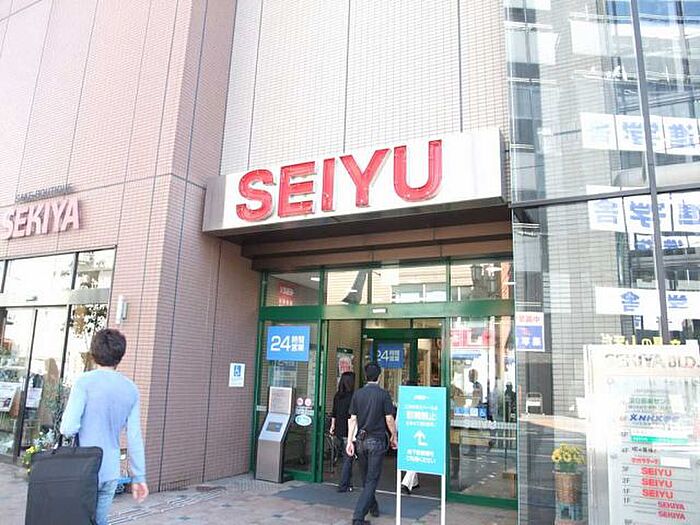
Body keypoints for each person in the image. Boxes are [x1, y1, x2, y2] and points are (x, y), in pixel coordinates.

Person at [60, 329, 148, 525]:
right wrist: (139, 477)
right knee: (99, 521)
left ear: (94, 353)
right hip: (110, 470)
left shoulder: (84, 382)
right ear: (120, 356)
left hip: (84, 468)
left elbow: (68, 428)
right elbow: (134, 437)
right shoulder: (131, 389)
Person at [346, 362, 397, 525]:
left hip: (360, 441)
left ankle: (373, 507)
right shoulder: (383, 394)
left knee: (366, 478)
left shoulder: (358, 394)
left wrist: (349, 441)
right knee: (371, 479)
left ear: (365, 376)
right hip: (376, 441)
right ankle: (358, 517)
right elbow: (389, 419)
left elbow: (352, 419)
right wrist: (394, 436)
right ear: (379, 377)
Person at [329, 371, 356, 492]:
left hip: (339, 430)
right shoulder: (354, 396)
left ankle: (348, 483)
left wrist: (332, 426)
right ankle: (343, 484)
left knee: (345, 457)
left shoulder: (337, 396)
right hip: (349, 430)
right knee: (348, 458)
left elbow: (334, 413)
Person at [400, 379, 419, 495]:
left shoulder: (404, 400)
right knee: (414, 455)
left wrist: (395, 433)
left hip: (405, 432)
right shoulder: (419, 401)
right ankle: (410, 482)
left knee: (413, 455)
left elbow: (398, 420)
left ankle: (409, 482)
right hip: (415, 431)